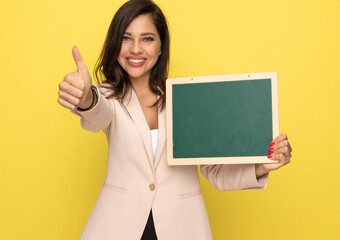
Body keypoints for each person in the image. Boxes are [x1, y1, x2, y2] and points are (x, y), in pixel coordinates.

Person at [58, 0, 292, 239]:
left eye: (147, 38)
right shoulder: (106, 95)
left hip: (182, 226)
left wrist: (262, 166)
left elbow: (214, 172)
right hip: (118, 227)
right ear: (115, 45)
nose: (135, 49)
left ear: (161, 46)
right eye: (126, 38)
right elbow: (98, 113)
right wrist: (85, 96)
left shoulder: (187, 100)